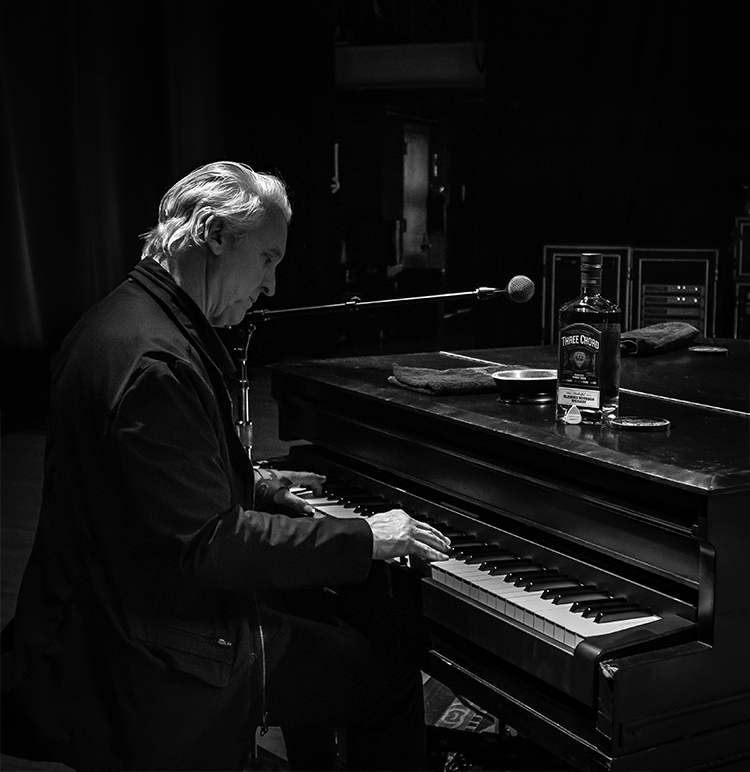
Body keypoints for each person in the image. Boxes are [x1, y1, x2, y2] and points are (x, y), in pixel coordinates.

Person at [0, 161, 451, 772]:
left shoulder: (119, 320)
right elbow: (209, 544)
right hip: (158, 649)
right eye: (266, 258)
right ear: (214, 236)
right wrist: (368, 535)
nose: (270, 286)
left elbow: (141, 487)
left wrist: (256, 486)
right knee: (387, 679)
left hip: (118, 612)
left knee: (311, 612)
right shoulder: (157, 363)